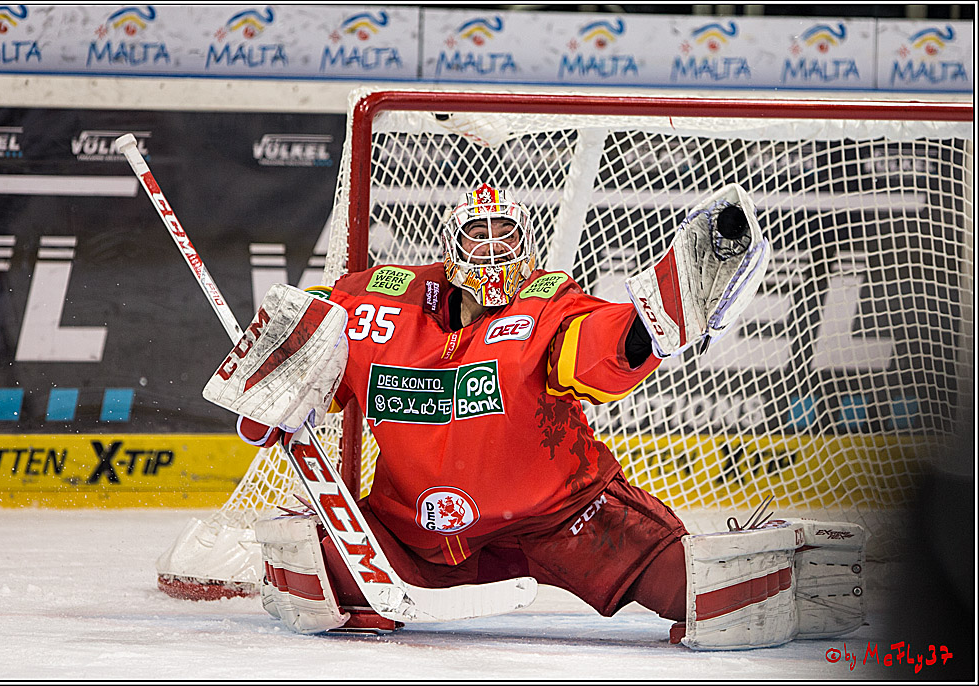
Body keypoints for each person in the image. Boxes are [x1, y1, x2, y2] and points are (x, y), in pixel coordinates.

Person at [239, 182, 690, 633]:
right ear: (453, 244)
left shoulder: (549, 305)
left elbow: (596, 347)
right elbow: (313, 326)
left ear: (526, 243)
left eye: (506, 232)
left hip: (564, 519)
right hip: (416, 534)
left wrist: (650, 327)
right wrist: (276, 378)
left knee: (701, 588)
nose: (493, 245)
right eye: (478, 230)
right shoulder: (377, 304)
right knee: (314, 571)